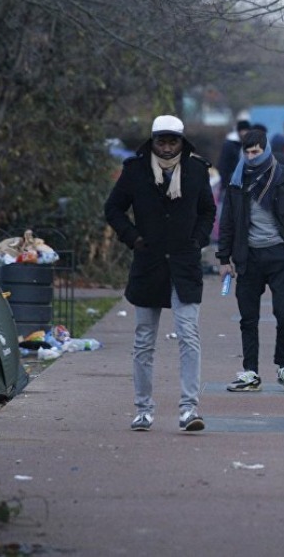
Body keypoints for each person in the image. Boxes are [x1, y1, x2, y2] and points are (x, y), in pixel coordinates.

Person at [104, 115, 217, 432]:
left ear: (182, 142)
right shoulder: (135, 170)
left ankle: (189, 408)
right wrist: (133, 238)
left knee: (189, 337)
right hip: (149, 262)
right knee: (143, 340)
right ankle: (143, 409)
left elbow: (208, 210)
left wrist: (198, 240)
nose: (167, 147)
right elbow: (113, 208)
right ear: (152, 141)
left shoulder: (196, 170)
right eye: (161, 141)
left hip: (184, 264)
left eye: (172, 141)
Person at [216, 129, 284, 392]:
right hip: (249, 257)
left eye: (255, 151)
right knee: (248, 318)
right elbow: (228, 222)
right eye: (247, 151)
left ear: (265, 149)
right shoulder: (238, 180)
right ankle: (250, 372)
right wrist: (224, 258)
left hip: (280, 255)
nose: (251, 156)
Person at [217, 120, 251, 192]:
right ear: (238, 131)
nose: (244, 133)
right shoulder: (230, 145)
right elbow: (223, 165)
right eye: (243, 130)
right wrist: (225, 184)